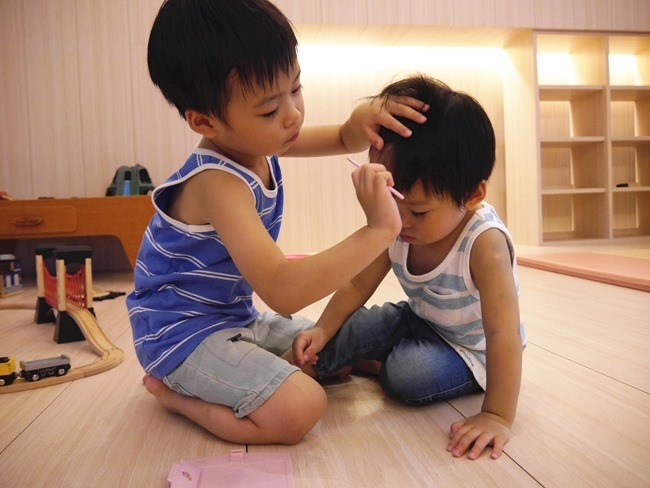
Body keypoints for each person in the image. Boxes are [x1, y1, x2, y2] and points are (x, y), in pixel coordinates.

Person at [126, 0, 427, 446]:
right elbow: (284, 290)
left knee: (332, 348)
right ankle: (175, 396)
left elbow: (342, 137)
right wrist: (378, 231)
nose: (293, 115)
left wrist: (360, 121)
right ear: (205, 121)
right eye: (270, 109)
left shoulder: (259, 139)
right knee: (301, 406)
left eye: (296, 88)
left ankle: (252, 368)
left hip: (236, 318)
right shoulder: (217, 183)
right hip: (181, 336)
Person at [289, 74, 526, 460]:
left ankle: (370, 360)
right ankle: (310, 366)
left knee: (408, 374)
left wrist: (497, 415)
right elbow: (356, 286)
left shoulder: (485, 245)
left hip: (471, 350)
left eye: (417, 211)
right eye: (390, 201)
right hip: (420, 320)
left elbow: (504, 334)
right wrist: (321, 330)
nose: (399, 221)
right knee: (356, 325)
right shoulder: (393, 223)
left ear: (472, 195)